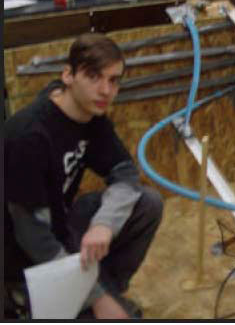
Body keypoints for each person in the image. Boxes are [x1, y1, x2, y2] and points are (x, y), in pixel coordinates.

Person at [5, 33, 164, 319]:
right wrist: (96, 297)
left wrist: (104, 224)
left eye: (113, 80)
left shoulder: (91, 117)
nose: (105, 90)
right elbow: (32, 236)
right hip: (18, 249)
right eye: (94, 77)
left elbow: (125, 174)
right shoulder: (29, 137)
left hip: (58, 223)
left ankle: (103, 292)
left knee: (147, 203)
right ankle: (74, 299)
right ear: (68, 75)